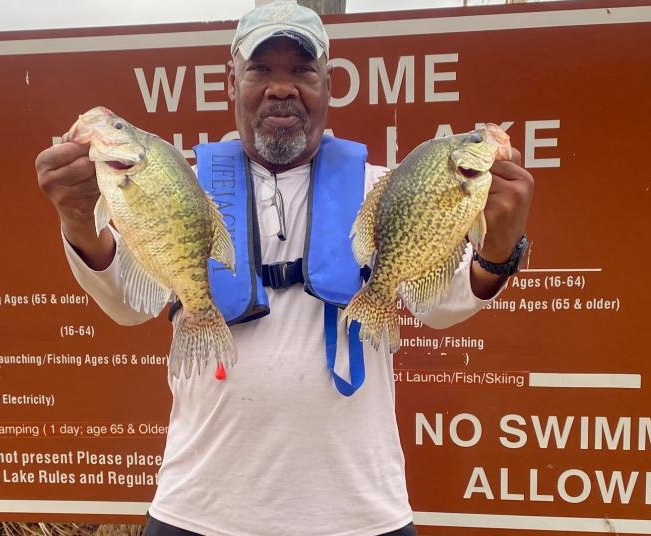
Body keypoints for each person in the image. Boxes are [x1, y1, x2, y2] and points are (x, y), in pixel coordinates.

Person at [35, 1, 534, 535]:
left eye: (301, 70)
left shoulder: (382, 186)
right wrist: (79, 221)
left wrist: (500, 247)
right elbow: (129, 305)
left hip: (359, 514)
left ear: (327, 83)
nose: (281, 87)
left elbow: (443, 304)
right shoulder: (181, 185)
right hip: (199, 511)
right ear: (232, 81)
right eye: (260, 69)